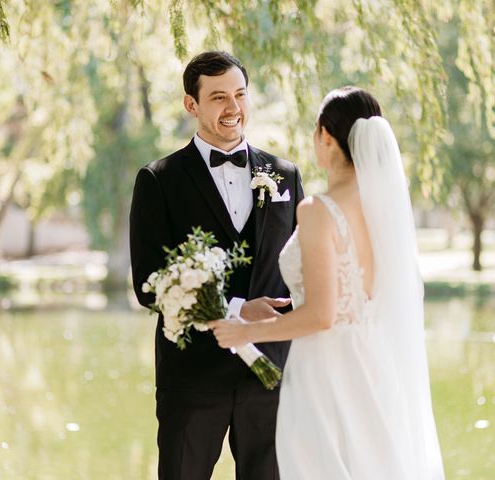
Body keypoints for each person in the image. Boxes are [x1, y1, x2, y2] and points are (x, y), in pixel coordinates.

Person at [209, 87, 445, 479]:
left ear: (325, 137)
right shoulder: (382, 208)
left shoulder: (319, 210)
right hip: (374, 363)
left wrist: (245, 330)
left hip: (326, 369)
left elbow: (320, 315)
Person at [129, 51, 304, 480]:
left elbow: (305, 269)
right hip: (192, 377)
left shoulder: (285, 175)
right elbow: (149, 286)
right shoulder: (159, 180)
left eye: (240, 95)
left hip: (271, 376)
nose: (233, 109)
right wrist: (236, 309)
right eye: (219, 97)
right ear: (192, 105)